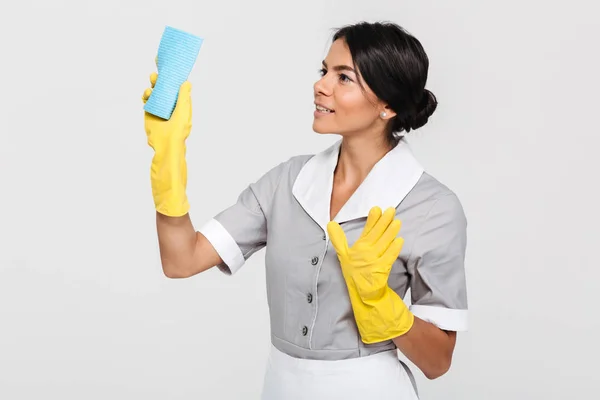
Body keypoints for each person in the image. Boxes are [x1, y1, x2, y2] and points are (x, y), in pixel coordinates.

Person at [142, 21, 468, 400]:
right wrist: (168, 161)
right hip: (281, 387)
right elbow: (181, 261)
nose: (321, 85)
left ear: (387, 105)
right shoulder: (288, 183)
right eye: (324, 71)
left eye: (343, 77)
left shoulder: (432, 208)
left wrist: (384, 308)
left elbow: (437, 361)